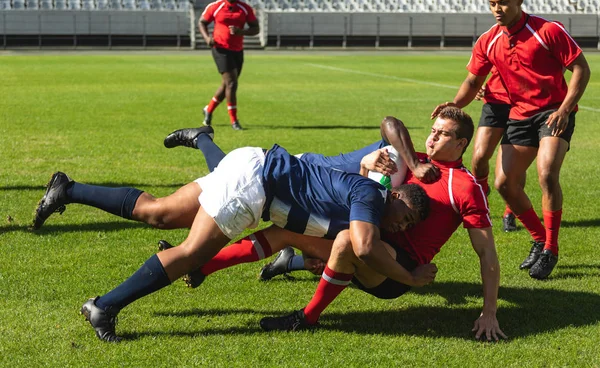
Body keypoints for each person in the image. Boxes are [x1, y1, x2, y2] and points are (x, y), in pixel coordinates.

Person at [32, 134, 431, 343]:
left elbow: (359, 184)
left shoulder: (367, 185)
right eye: (404, 218)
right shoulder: (371, 196)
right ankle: (104, 306)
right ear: (395, 194)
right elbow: (363, 246)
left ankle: (68, 189)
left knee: (159, 213)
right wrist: (410, 278)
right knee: (189, 254)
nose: (400, 227)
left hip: (251, 163)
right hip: (255, 184)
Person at [165, 106, 505, 341]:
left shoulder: (464, 186)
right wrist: (371, 163)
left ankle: (306, 317)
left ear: (461, 144)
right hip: (364, 233)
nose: (432, 139)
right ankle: (202, 268)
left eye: (443, 135)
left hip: (396, 268)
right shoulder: (412, 159)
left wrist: (489, 312)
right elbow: (389, 124)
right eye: (432, 131)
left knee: (346, 241)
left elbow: (487, 254)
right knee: (287, 228)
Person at [431, 0, 591, 280]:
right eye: (492, 4)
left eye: (503, 2)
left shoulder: (548, 31)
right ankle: (538, 237)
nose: (497, 9)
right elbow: (473, 82)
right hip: (519, 117)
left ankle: (550, 249)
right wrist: (454, 104)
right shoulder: (489, 39)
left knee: (546, 173)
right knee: (504, 183)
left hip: (553, 113)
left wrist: (564, 109)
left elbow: (581, 68)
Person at [199, 0, 259, 130]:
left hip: (237, 50)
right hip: (220, 49)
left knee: (227, 84)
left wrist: (241, 31)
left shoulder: (245, 9)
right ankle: (234, 121)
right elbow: (202, 22)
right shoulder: (216, 6)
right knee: (232, 83)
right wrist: (207, 39)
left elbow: (255, 28)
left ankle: (209, 109)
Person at [470, 69, 524, 232]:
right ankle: (481, 195)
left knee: (515, 164)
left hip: (525, 103)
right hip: (495, 101)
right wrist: (477, 84)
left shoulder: (540, 42)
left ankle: (510, 212)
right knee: (479, 156)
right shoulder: (487, 42)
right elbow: (478, 66)